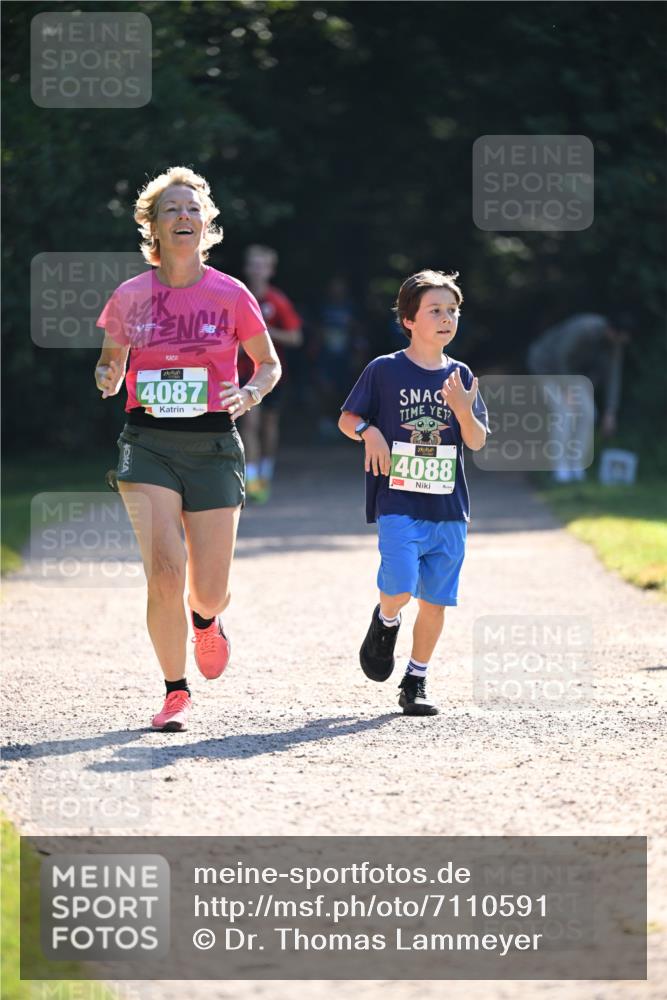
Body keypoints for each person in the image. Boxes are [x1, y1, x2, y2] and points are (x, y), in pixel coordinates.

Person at [94, 167, 281, 732]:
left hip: (213, 447)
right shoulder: (130, 296)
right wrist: (106, 375)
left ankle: (207, 620)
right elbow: (110, 362)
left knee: (210, 588)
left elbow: (269, 364)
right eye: (172, 209)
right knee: (166, 572)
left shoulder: (230, 293)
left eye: (193, 209)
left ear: (207, 225)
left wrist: (248, 392)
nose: (184, 217)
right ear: (152, 225)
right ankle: (175, 691)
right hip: (147, 444)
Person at [338, 270, 488, 716]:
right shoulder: (384, 370)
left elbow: (477, 441)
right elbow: (348, 419)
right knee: (400, 586)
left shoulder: (460, 375)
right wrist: (370, 433)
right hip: (398, 501)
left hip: (448, 507)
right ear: (408, 319)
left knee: (436, 601)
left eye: (452, 311)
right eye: (435, 310)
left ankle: (416, 680)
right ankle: (385, 622)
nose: (446, 318)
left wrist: (463, 410)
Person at [527, 313, 632, 482]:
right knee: (564, 413)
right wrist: (566, 389)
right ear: (612, 331)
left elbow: (614, 377)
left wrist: (610, 412)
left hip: (575, 375)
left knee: (589, 414)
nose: (622, 343)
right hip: (546, 367)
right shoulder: (584, 329)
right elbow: (561, 356)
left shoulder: (614, 344)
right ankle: (560, 468)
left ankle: (576, 464)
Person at [237, 245, 302, 502]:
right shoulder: (237, 296)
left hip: (272, 374)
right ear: (246, 267)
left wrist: (262, 334)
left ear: (271, 270)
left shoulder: (278, 301)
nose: (258, 269)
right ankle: (252, 481)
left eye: (263, 265)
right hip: (242, 373)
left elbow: (296, 337)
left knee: (268, 425)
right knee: (249, 423)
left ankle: (265, 472)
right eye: (253, 264)